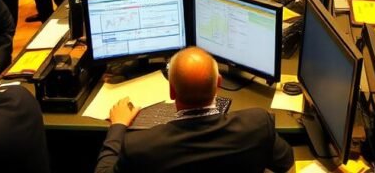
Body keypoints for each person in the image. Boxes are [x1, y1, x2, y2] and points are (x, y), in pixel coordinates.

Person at [96, 47, 294, 173]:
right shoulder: (258, 124)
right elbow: (286, 163)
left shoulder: (139, 146)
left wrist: (118, 126)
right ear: (218, 83)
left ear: (172, 91)